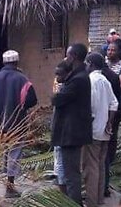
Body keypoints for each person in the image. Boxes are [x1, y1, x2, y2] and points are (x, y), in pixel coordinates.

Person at [0, 50, 38, 198]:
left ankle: (6, 177)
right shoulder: (23, 80)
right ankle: (10, 186)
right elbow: (32, 100)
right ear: (16, 62)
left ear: (4, 62)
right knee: (15, 153)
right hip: (17, 122)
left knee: (5, 150)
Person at [51, 43, 92, 205]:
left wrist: (56, 91)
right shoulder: (77, 76)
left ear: (73, 57)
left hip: (71, 134)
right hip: (71, 132)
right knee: (70, 173)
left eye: (67, 55)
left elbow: (57, 100)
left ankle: (74, 204)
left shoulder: (78, 79)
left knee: (71, 175)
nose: (66, 59)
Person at [83, 52, 118, 207]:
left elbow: (90, 107)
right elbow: (114, 103)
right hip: (104, 130)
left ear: (90, 63)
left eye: (86, 63)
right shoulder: (105, 80)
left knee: (91, 167)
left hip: (94, 130)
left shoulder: (91, 80)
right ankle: (99, 199)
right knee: (101, 165)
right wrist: (109, 122)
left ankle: (91, 202)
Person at [104, 40, 121, 196]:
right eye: (108, 50)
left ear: (119, 52)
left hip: (116, 105)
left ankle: (110, 159)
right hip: (104, 103)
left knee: (112, 135)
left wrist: (105, 83)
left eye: (113, 50)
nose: (110, 52)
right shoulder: (105, 64)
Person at [52, 60, 72, 194]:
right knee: (60, 161)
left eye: (59, 75)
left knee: (61, 162)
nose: (57, 78)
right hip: (59, 129)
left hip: (63, 131)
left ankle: (63, 191)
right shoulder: (61, 86)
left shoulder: (68, 89)